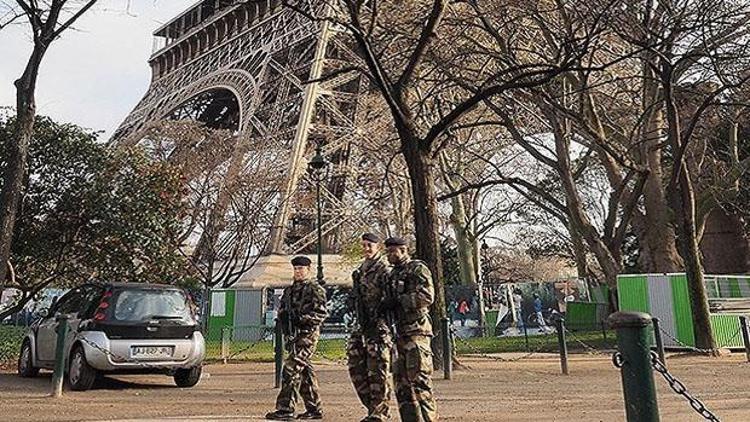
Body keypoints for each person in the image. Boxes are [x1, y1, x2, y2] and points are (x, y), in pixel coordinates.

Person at [380, 237, 438, 422]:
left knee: (420, 381)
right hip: (398, 334)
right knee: (402, 386)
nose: (389, 255)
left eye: (393, 251)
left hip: (416, 332)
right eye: (388, 251)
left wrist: (400, 301)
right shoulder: (392, 274)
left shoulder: (417, 268)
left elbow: (427, 296)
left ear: (403, 250)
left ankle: (430, 418)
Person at [265, 256, 328, 421]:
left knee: (291, 370)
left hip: (307, 335)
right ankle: (314, 409)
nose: (298, 272)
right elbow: (283, 312)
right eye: (295, 269)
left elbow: (320, 314)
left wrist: (302, 319)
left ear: (308, 269)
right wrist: (284, 320)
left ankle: (286, 409)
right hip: (293, 336)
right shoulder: (290, 291)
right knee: (305, 373)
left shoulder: (315, 289)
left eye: (301, 269)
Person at [347, 233, 393, 422]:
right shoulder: (359, 271)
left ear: (378, 247)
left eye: (370, 245)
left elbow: (390, 297)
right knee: (355, 366)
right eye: (364, 245)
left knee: (378, 370)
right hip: (362, 324)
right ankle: (371, 408)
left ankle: (379, 412)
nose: (366, 249)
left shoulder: (384, 270)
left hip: (379, 325)